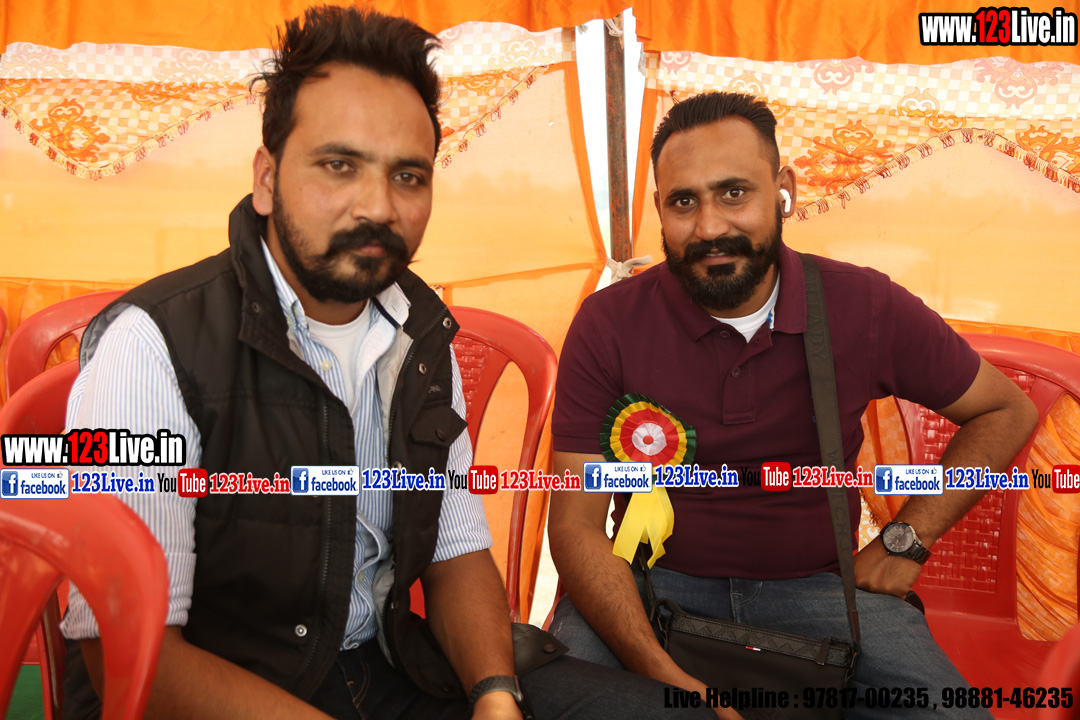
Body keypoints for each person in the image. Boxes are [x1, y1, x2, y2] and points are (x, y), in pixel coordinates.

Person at [59, 7, 714, 720]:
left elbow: (457, 550)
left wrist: (495, 695)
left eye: (408, 175)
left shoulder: (420, 337)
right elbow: (126, 654)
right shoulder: (148, 346)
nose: (377, 206)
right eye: (339, 165)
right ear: (267, 178)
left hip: (384, 668)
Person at [547, 92, 1039, 719]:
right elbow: (577, 524)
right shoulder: (608, 322)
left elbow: (1006, 411)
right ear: (660, 210)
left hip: (818, 590)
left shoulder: (862, 304)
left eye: (734, 193)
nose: (709, 228)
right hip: (646, 587)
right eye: (683, 202)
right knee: (554, 702)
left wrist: (906, 540)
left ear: (784, 190)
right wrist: (666, 681)